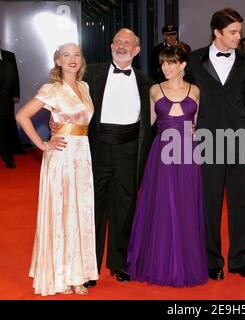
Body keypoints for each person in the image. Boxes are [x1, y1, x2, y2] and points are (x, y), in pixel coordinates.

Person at [51, 29, 154, 288]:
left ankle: (119, 264)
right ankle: (89, 268)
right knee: (92, 209)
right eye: (117, 41)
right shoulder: (91, 74)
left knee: (125, 208)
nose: (121, 46)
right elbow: (66, 92)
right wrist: (57, 121)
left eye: (127, 42)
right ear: (110, 46)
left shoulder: (145, 82)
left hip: (130, 150)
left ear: (137, 50)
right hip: (96, 149)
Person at [15, 43, 98, 296]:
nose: (72, 59)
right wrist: (42, 144)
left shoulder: (84, 87)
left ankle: (78, 273)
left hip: (82, 156)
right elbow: (22, 116)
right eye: (66, 55)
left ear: (81, 59)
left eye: (76, 55)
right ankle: (63, 275)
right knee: (63, 212)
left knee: (80, 213)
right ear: (58, 61)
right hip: (61, 156)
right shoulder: (51, 89)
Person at [185, 8, 245, 280]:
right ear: (217, 32)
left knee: (241, 203)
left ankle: (239, 261)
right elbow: (184, 96)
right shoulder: (193, 60)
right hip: (207, 139)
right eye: (233, 32)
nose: (239, 37)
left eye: (239, 31)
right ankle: (212, 261)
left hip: (240, 139)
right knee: (210, 204)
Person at [127, 45, 208, 287]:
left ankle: (185, 262)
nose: (166, 68)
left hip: (186, 154)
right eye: (163, 63)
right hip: (161, 154)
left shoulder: (195, 91)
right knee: (162, 206)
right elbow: (145, 126)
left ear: (183, 65)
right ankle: (158, 262)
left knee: (184, 206)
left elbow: (196, 125)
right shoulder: (154, 90)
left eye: (171, 63)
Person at [0, 43, 26, 154]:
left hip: (7, 95)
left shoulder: (9, 55)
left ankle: (14, 147)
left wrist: (16, 94)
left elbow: (15, 75)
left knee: (9, 121)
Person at [0, 60, 16, 168]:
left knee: (3, 135)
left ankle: (8, 160)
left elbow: (6, 89)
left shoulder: (7, 66)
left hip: (1, 106)